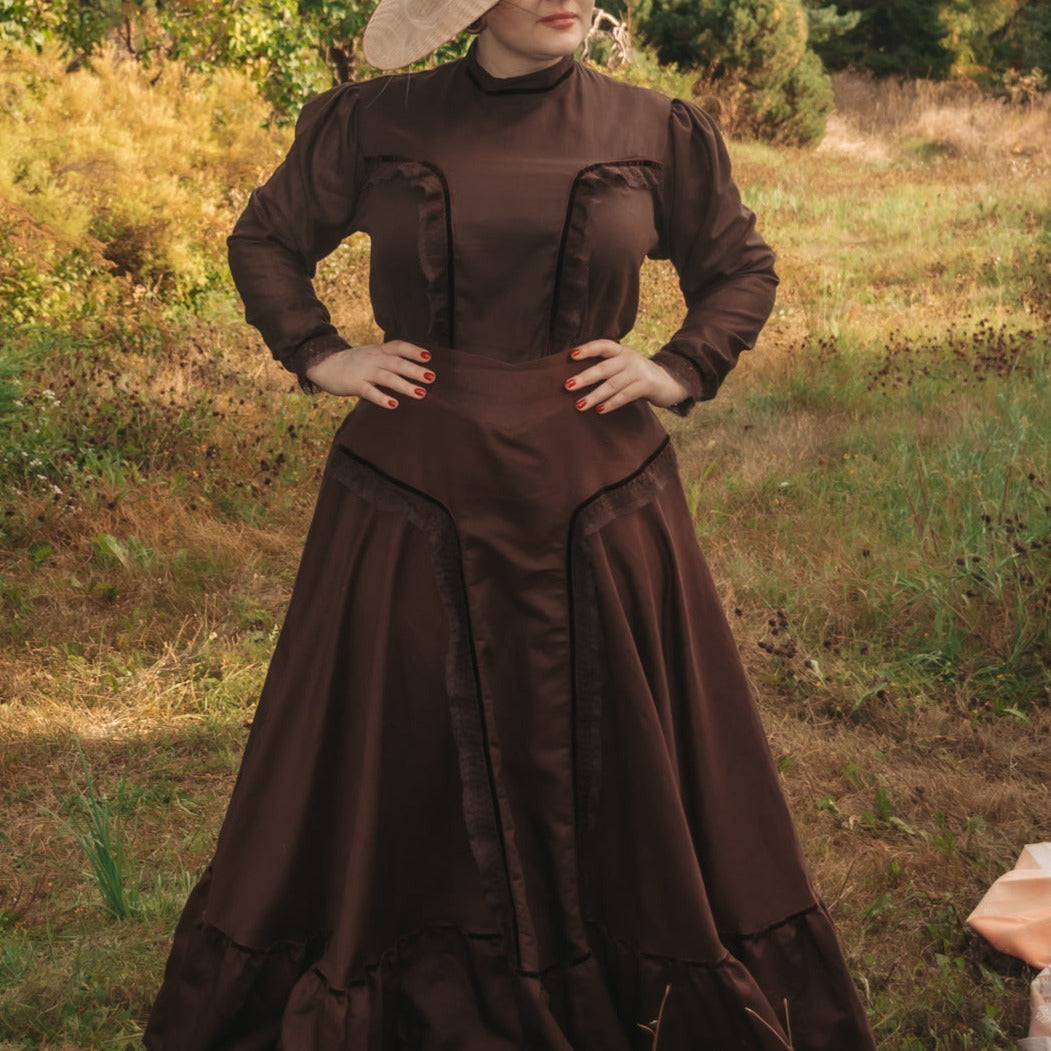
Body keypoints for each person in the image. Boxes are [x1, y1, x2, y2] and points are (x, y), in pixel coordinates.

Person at [144, 0, 878, 1047]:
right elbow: (265, 240)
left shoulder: (655, 128)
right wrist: (321, 353)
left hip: (600, 495)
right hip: (409, 495)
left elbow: (739, 268)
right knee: (398, 746)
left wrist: (674, 368)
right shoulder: (370, 121)